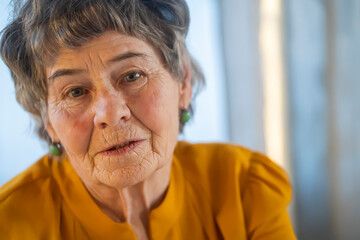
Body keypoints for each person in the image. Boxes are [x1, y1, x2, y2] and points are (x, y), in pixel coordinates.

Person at [0, 0, 296, 239]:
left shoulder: (243, 186)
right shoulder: (9, 224)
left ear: (182, 81)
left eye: (132, 76)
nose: (110, 114)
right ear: (47, 119)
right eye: (75, 92)